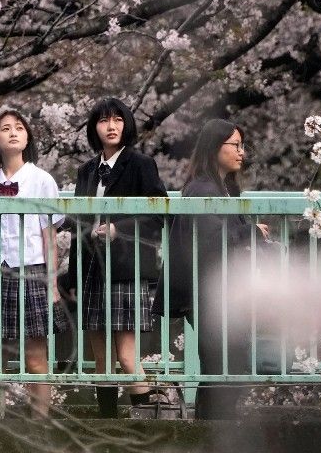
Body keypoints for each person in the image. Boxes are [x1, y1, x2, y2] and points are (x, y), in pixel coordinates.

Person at [63, 97, 168, 418]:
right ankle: (106, 421)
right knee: (100, 356)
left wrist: (116, 229)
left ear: (127, 125)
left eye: (118, 120)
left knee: (126, 355)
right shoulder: (87, 170)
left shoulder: (140, 164)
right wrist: (73, 277)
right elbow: (80, 226)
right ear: (94, 128)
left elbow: (158, 213)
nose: (111, 126)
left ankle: (151, 420)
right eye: (104, 121)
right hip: (92, 267)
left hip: (126, 267)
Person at [157, 118, 267, 420]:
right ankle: (212, 428)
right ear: (214, 147)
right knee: (223, 364)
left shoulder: (223, 188)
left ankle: (212, 427)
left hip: (217, 289)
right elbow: (210, 239)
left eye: (242, 146)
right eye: (235, 145)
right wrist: (251, 233)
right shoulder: (201, 189)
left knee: (223, 364)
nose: (241, 152)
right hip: (205, 290)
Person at [0, 109, 68, 417]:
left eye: (19, 128)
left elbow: (49, 236)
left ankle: (41, 423)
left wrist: (52, 283)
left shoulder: (42, 180)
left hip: (33, 272)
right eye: (5, 128)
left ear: (27, 138)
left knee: (36, 354)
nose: (13, 132)